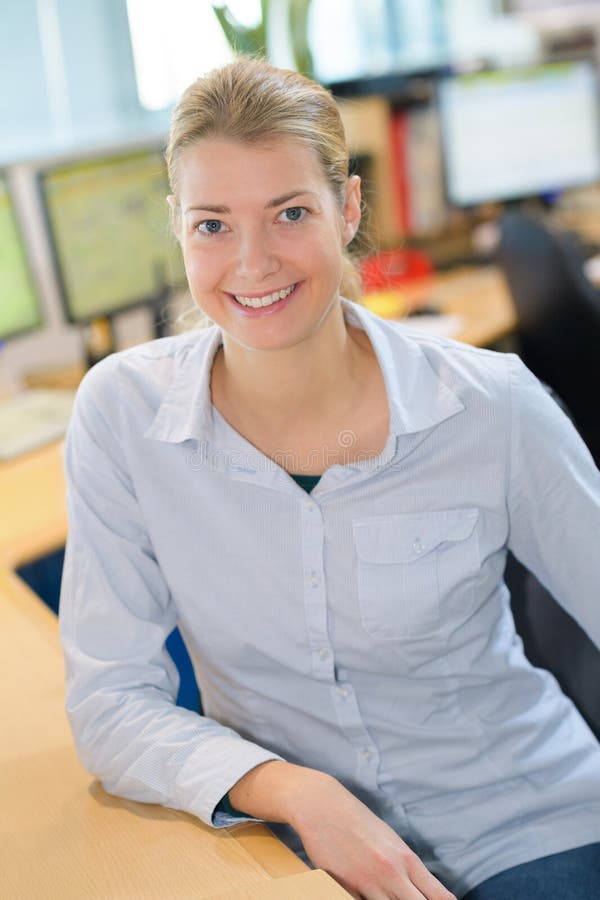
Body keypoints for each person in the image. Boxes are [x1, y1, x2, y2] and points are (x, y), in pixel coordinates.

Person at [59, 57, 600, 900]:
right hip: (290, 855)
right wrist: (296, 791)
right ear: (177, 226)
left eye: (289, 213)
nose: (253, 261)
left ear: (347, 208)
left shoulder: (490, 406)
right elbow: (111, 702)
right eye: (213, 224)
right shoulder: (123, 416)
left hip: (524, 826)